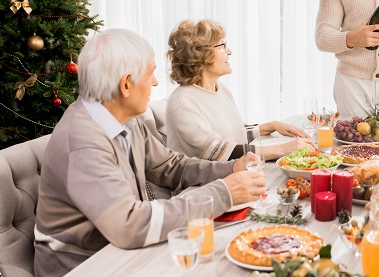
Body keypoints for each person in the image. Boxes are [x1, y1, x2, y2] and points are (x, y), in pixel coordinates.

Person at [34, 29, 266, 277]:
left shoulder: (122, 118)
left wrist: (230, 169)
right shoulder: (83, 141)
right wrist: (225, 192)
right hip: (85, 267)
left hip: (120, 253)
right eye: (150, 73)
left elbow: (170, 166)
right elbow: (128, 225)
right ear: (126, 85)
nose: (155, 82)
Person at [166, 19, 314, 161]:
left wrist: (273, 126)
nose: (229, 52)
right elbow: (216, 151)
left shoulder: (220, 89)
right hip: (204, 184)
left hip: (232, 172)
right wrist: (282, 149)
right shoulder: (184, 102)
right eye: (222, 46)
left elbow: (236, 132)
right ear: (200, 54)